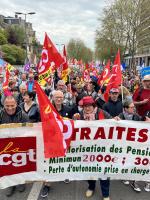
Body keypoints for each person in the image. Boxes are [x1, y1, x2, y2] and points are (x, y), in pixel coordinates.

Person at [73, 96, 111, 200]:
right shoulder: (80, 115)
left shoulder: (102, 113)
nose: (87, 108)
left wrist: (116, 120)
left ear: (93, 105)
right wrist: (74, 119)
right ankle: (91, 187)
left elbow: (112, 122)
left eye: (89, 105)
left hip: (102, 148)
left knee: (103, 172)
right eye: (85, 106)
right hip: (87, 149)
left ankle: (106, 194)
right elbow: (73, 128)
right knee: (89, 170)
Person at [118, 99, 150, 192]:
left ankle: (132, 178)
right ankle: (124, 176)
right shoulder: (121, 116)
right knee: (124, 159)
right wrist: (116, 120)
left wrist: (145, 121)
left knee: (132, 159)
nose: (134, 109)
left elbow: (142, 123)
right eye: (131, 107)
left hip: (133, 143)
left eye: (134, 107)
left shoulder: (136, 116)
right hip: (122, 143)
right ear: (125, 109)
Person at [0, 95, 29, 196]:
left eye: (12, 105)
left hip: (19, 145)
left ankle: (20, 182)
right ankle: (11, 185)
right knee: (8, 166)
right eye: (7, 105)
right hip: (5, 147)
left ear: (16, 104)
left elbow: (28, 131)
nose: (10, 108)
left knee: (19, 165)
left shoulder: (23, 116)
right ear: (4, 105)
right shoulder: (0, 114)